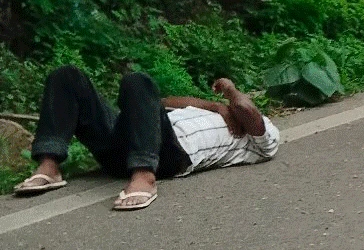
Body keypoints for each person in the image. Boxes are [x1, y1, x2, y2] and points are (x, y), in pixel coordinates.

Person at [13, 66, 280, 211]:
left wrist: (231, 90)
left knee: (138, 80)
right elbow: (159, 101)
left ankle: (144, 177)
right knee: (68, 77)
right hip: (127, 142)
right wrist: (216, 106)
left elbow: (246, 109)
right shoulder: (210, 109)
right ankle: (49, 164)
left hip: (168, 155)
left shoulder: (262, 136)